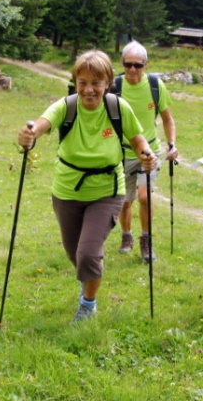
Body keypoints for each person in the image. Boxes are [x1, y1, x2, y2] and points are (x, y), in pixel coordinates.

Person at [17, 50, 158, 322]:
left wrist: (146, 154)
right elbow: (43, 125)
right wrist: (30, 136)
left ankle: (87, 306)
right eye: (82, 82)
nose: (89, 89)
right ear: (75, 82)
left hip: (107, 191)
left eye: (96, 82)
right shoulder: (66, 106)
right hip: (67, 191)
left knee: (88, 253)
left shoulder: (118, 108)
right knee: (75, 254)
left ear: (107, 82)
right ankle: (88, 281)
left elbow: (138, 139)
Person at [111, 41, 178, 263]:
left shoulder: (155, 86)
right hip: (122, 152)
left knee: (144, 196)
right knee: (125, 201)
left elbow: (168, 119)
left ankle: (146, 242)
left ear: (145, 64)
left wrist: (172, 143)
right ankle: (126, 236)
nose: (132, 69)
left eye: (137, 65)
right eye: (128, 64)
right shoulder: (115, 87)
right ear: (121, 63)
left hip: (149, 151)